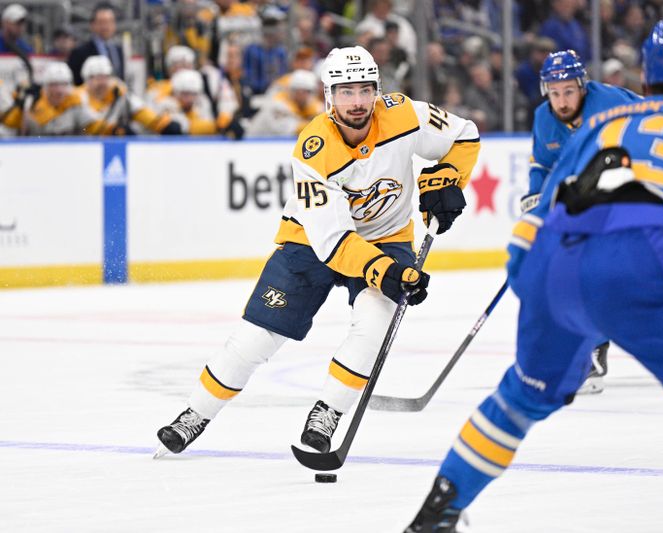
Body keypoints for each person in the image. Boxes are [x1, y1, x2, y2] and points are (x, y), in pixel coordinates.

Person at [406, 19, 663, 533]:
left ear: (646, 76)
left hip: (553, 264)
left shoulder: (602, 124)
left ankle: (436, 513)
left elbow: (537, 221)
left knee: (520, 396)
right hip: (647, 264)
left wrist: (538, 292)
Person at [154, 45, 480, 457]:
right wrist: (389, 273)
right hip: (312, 240)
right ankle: (195, 414)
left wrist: (448, 177)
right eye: (346, 92)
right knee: (256, 338)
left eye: (365, 90)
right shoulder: (312, 151)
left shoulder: (405, 114)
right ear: (329, 96)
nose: (357, 102)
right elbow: (334, 242)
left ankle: (328, 411)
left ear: (378, 89)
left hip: (387, 235)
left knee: (373, 325)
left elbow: (465, 135)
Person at [528, 49, 640, 394]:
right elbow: (542, 166)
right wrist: (534, 199)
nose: (562, 101)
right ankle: (588, 348)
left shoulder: (611, 104)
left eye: (569, 92)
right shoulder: (544, 117)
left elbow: (653, 127)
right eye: (555, 92)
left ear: (583, 87)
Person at [77, 55, 181, 136]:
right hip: (80, 146)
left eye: (106, 77)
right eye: (98, 78)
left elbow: (140, 110)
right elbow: (84, 128)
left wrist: (162, 124)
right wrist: (112, 131)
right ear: (87, 80)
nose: (103, 83)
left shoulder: (117, 91)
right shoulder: (78, 97)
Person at [0, 62, 109, 136]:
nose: (59, 90)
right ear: (45, 86)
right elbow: (10, 125)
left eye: (63, 84)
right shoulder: (32, 102)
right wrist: (19, 106)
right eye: (54, 84)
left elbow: (95, 127)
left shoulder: (75, 101)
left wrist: (114, 130)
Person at [67, 2, 125, 85]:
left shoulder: (119, 50)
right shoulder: (79, 52)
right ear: (92, 25)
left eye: (110, 21)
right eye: (101, 22)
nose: (106, 26)